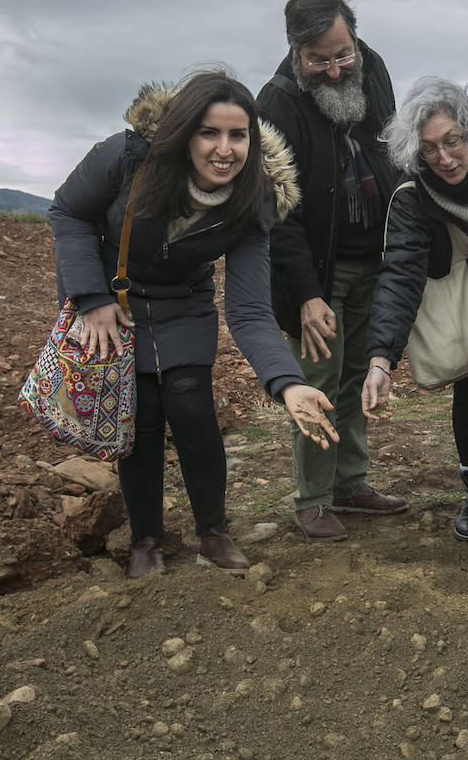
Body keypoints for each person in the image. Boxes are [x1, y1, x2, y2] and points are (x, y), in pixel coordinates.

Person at [49, 70, 339, 579]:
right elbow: (69, 212)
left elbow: (249, 310)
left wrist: (289, 384)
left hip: (184, 300)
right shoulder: (126, 156)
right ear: (185, 132)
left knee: (190, 402)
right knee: (139, 419)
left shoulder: (256, 198)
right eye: (210, 133)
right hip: (113, 299)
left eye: (238, 135)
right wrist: (90, 298)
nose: (224, 149)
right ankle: (146, 541)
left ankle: (213, 532)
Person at [257, 0, 407, 542]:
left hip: (376, 256)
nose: (337, 69)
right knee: (317, 378)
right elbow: (278, 215)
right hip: (317, 271)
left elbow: (392, 146)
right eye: (320, 61)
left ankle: (351, 483)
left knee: (355, 375)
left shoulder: (374, 67)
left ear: (355, 38)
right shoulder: (275, 104)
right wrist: (306, 295)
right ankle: (314, 498)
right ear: (298, 53)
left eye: (343, 54)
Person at [361, 77, 468, 540]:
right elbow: (400, 274)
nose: (445, 158)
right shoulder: (413, 194)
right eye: (430, 149)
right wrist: (381, 359)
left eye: (452, 141)